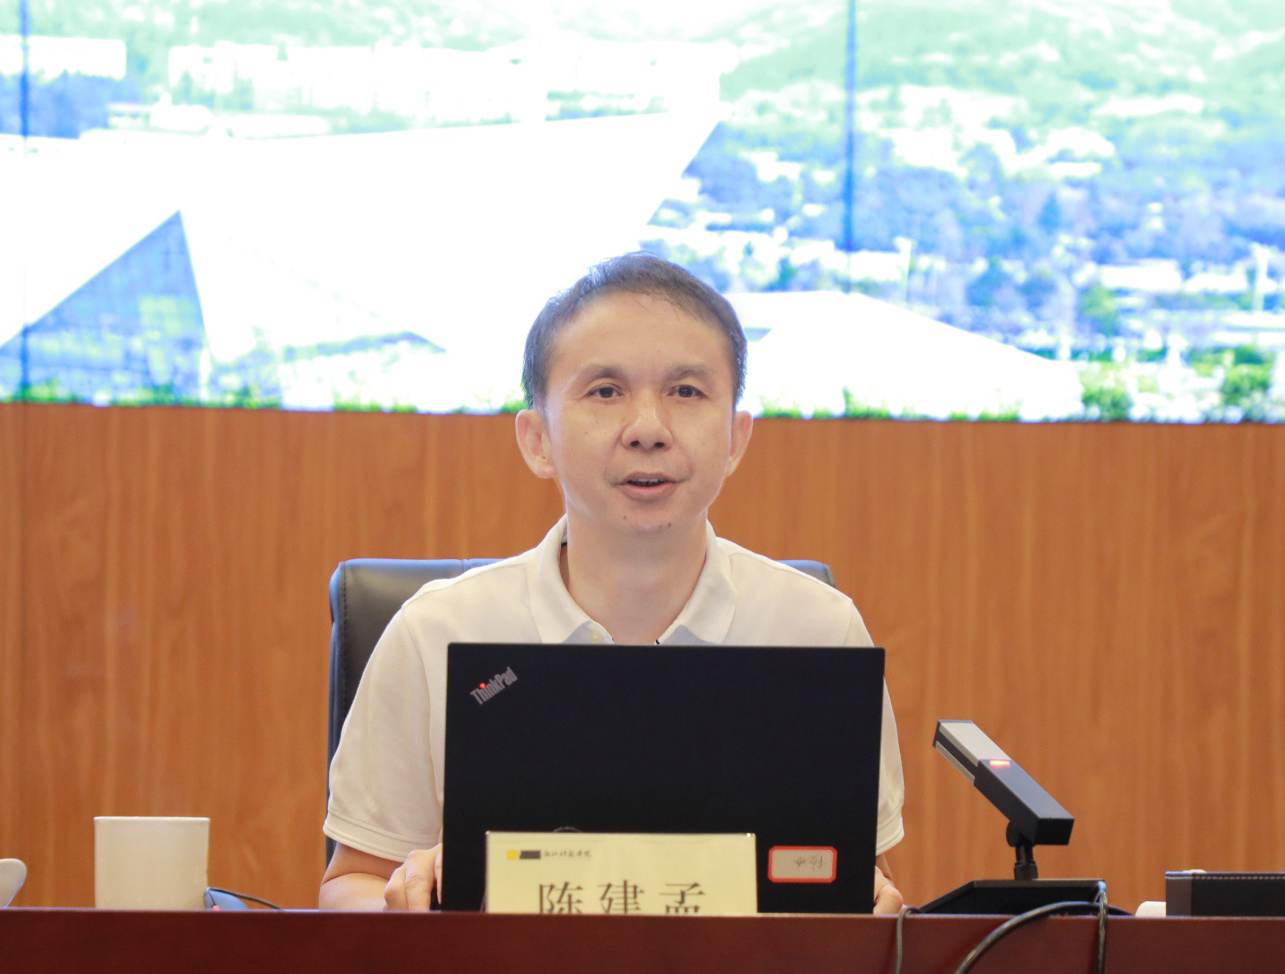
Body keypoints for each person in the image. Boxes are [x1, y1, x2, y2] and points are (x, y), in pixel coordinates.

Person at [320, 253, 905, 913]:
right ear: (537, 439)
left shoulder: (820, 632)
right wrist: (409, 904)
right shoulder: (435, 633)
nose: (648, 430)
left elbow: (863, 888)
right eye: (605, 391)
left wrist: (872, 914)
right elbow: (349, 884)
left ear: (736, 437)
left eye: (687, 391)